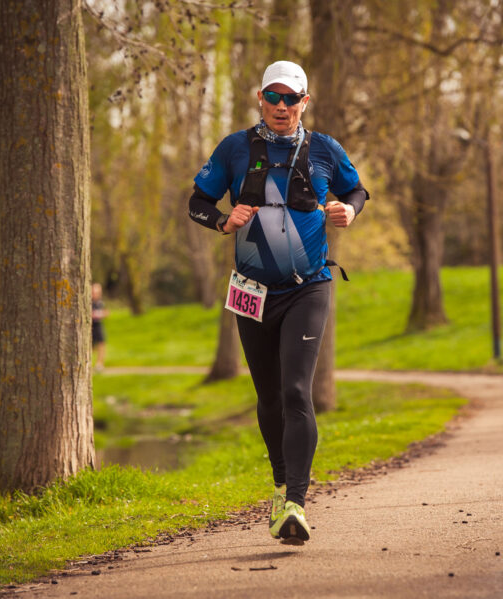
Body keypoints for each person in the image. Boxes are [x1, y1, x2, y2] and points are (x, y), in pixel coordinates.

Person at [187, 60, 368, 544]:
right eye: (274, 96)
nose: (281, 106)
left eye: (291, 98)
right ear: (261, 99)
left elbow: (356, 189)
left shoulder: (324, 149)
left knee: (295, 391)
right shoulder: (234, 148)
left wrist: (348, 209)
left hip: (308, 287)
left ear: (304, 102)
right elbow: (197, 202)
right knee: (268, 397)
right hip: (252, 292)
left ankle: (296, 503)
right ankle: (280, 485)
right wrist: (222, 221)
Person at [91, 283, 108, 372]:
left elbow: (106, 312)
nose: (95, 294)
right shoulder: (89, 302)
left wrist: (101, 314)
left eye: (97, 292)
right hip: (91, 326)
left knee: (101, 343)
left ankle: (99, 363)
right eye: (94, 292)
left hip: (98, 325)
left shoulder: (100, 303)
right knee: (91, 346)